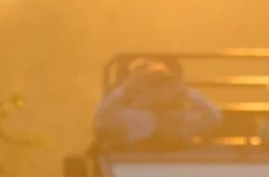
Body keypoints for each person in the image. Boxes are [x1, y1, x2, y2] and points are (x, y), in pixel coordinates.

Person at [94, 61, 222, 149]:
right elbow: (104, 117)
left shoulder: (183, 117)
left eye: (163, 85)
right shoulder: (133, 117)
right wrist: (126, 89)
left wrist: (185, 92)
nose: (157, 90)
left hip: (175, 166)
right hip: (138, 166)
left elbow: (214, 118)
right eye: (151, 85)